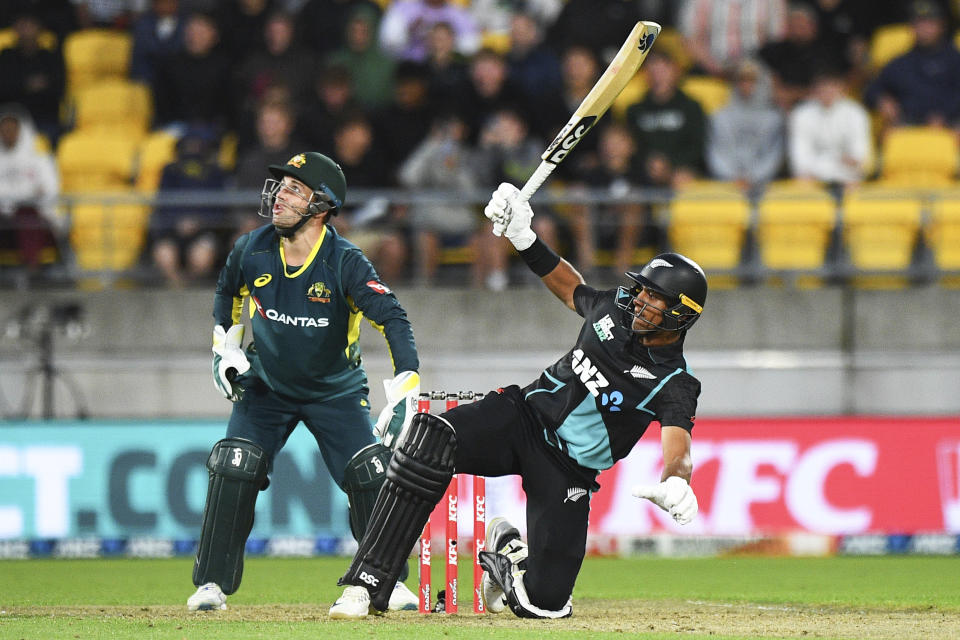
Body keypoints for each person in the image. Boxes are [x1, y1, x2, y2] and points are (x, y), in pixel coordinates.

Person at [328, 181, 705, 619]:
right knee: (430, 439)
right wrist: (525, 238)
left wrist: (677, 479)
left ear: (681, 312)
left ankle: (507, 552)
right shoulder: (613, 311)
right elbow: (570, 288)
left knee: (544, 606)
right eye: (641, 289)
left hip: (569, 470)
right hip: (522, 418)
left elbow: (678, 444)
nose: (638, 300)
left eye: (653, 297)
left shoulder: (674, 381)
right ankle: (367, 582)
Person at [187, 151, 422, 613]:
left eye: (294, 189)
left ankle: (387, 581)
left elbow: (393, 318)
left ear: (323, 204)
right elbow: (226, 295)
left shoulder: (346, 262)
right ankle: (211, 584)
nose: (279, 196)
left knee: (370, 470)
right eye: (280, 186)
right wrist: (226, 346)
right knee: (235, 463)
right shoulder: (250, 249)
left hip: (334, 389)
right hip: (267, 387)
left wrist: (406, 388)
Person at [863, 0, 960, 134]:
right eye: (919, 24)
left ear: (941, 26)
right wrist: (881, 100)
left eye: (929, 23)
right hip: (909, 124)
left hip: (950, 125)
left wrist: (944, 116)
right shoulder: (901, 62)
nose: (924, 29)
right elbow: (871, 90)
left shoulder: (955, 59)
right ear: (911, 28)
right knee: (889, 132)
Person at [787, 65, 871, 194]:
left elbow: (859, 156)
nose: (827, 91)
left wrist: (841, 164)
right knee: (802, 185)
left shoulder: (856, 113)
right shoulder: (801, 114)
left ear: (842, 88)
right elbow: (800, 159)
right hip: (813, 178)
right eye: (823, 87)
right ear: (814, 90)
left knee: (854, 186)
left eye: (832, 86)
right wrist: (837, 161)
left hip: (848, 178)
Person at [0, 105, 61, 280]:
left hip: (34, 219)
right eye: (4, 129)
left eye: (12, 129)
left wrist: (16, 197)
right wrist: (26, 192)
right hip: (4, 217)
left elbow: (49, 190)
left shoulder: (40, 158)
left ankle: (33, 269)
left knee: (27, 214)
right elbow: (32, 190)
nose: (7, 133)